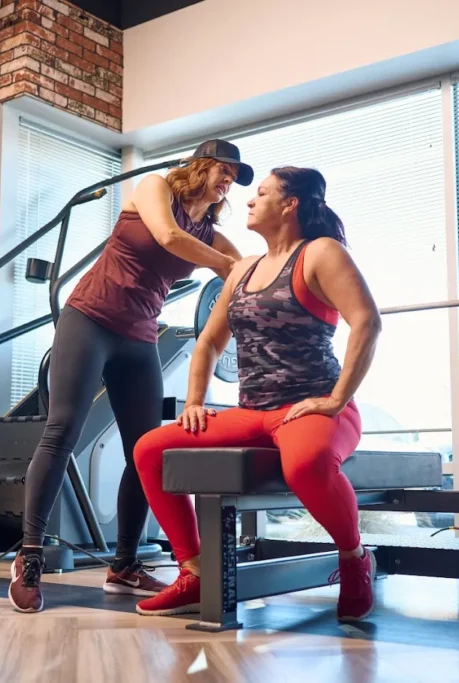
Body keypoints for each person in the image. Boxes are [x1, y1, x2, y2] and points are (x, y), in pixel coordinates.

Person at [9, 140, 254, 613]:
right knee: (62, 431)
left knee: (145, 451)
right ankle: (30, 556)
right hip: (90, 319)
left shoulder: (212, 236)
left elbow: (244, 277)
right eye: (222, 170)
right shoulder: (153, 188)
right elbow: (167, 237)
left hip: (140, 337)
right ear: (198, 167)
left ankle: (123, 565)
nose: (228, 181)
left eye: (234, 177)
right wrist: (226, 265)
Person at [132, 166, 382, 621]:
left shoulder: (321, 253)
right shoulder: (242, 269)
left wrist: (336, 400)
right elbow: (209, 342)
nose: (249, 200)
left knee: (304, 465)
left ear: (290, 204)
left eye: (262, 193)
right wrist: (194, 402)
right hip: (252, 412)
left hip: (312, 406)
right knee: (150, 449)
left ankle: (353, 559)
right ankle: (195, 572)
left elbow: (367, 321)